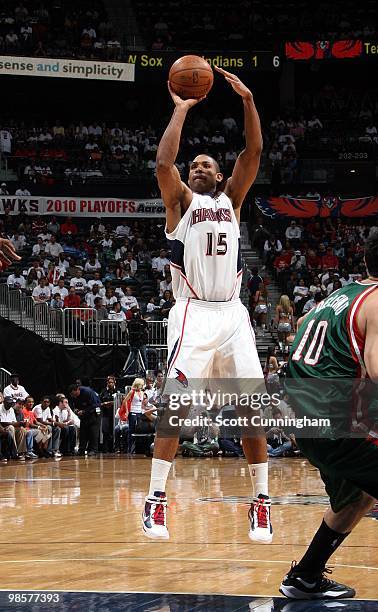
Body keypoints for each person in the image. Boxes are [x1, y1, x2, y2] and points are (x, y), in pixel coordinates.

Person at [142, 66, 272, 543]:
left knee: (252, 409)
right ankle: (156, 501)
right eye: (192, 165)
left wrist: (249, 101)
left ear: (220, 176)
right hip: (193, 312)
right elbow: (162, 164)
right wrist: (180, 111)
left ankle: (261, 503)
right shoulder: (179, 202)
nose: (197, 168)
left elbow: (253, 152)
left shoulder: (233, 201)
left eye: (206, 166)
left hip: (233, 313)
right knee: (175, 404)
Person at [279, 226, 378, 600]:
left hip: (302, 421)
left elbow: (303, 328)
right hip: (336, 424)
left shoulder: (335, 297)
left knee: (356, 494)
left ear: (366, 262)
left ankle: (305, 577)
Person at [69, 383, 101, 456]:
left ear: (77, 390)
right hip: (83, 414)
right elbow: (74, 406)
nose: (74, 396)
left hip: (94, 413)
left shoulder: (88, 392)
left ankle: (93, 450)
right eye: (72, 395)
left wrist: (84, 411)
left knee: (93, 432)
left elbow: (96, 404)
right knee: (83, 432)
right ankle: (81, 450)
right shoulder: (73, 396)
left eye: (74, 394)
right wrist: (76, 411)